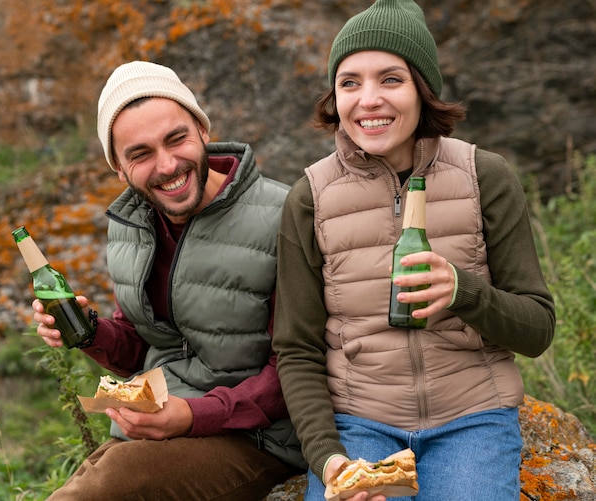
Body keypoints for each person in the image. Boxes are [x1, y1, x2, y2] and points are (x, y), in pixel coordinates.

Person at [272, 1, 555, 500]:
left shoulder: (484, 176)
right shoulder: (309, 198)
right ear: (334, 96)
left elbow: (537, 329)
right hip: (359, 423)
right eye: (350, 82)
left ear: (423, 90)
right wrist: (329, 458)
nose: (369, 100)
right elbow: (296, 350)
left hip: (473, 419)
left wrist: (464, 292)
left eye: (391, 79)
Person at [33, 60, 305, 500]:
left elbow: (295, 370)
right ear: (119, 169)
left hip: (262, 438)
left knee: (99, 488)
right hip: (162, 427)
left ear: (201, 129)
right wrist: (89, 331)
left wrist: (192, 416)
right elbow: (148, 344)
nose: (167, 165)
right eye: (139, 154)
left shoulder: (285, 216)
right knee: (94, 480)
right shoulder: (131, 224)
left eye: (176, 139)